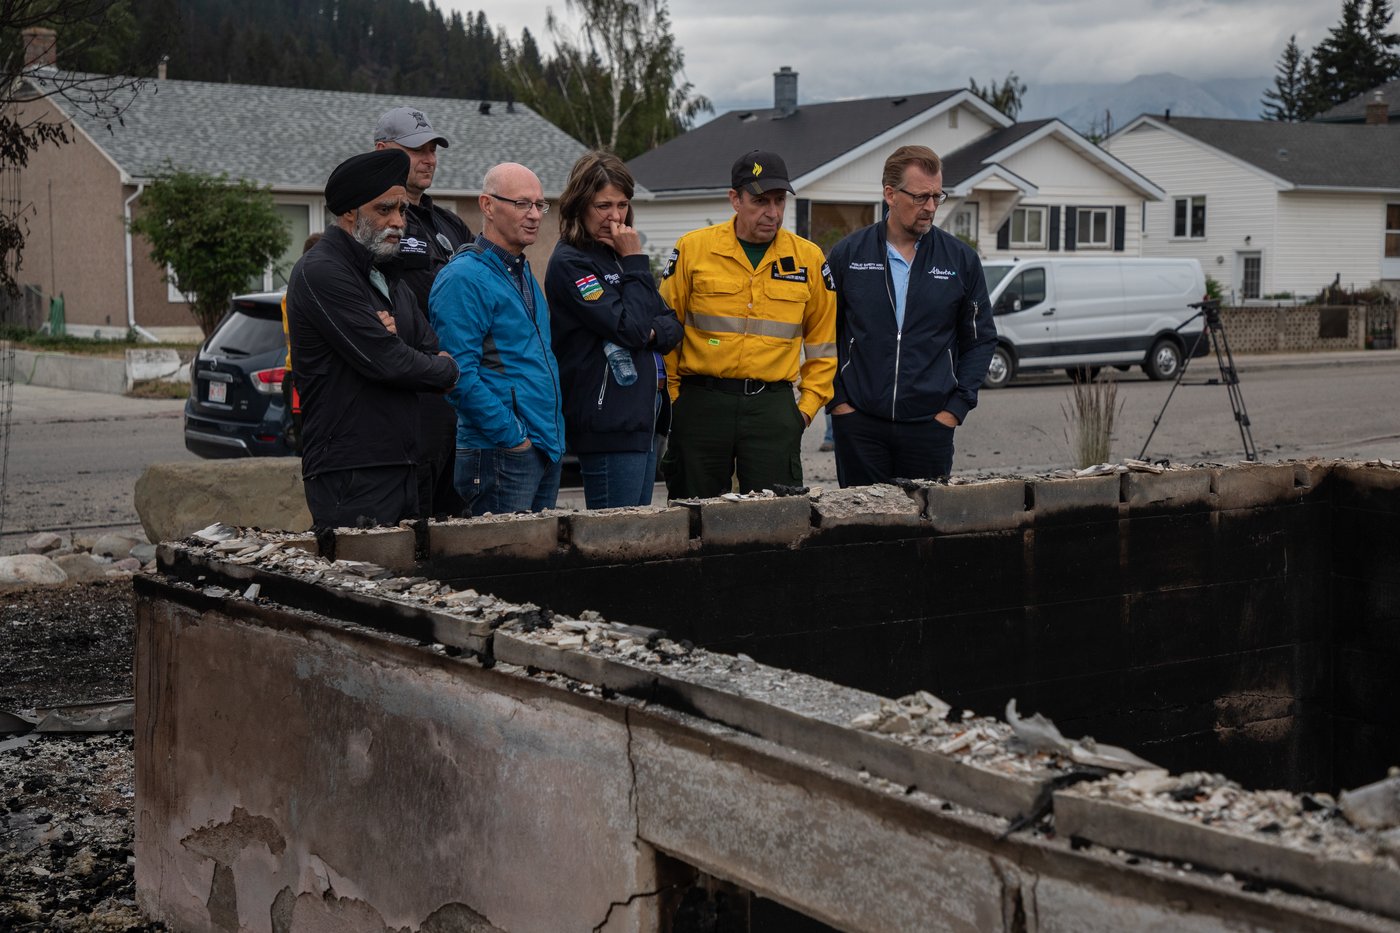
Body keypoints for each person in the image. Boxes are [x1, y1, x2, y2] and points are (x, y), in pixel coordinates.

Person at [286, 149, 459, 529]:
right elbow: (389, 362)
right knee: (357, 583)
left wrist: (417, 354)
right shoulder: (322, 271)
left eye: (402, 210)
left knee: (406, 585)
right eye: (385, 210)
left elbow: (425, 347)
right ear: (350, 211)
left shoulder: (386, 276)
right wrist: (443, 370)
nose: (398, 222)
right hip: (351, 472)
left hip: (404, 464)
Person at [659, 149, 836, 498]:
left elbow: (824, 343)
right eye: (760, 201)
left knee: (774, 519)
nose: (772, 213)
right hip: (701, 404)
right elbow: (667, 329)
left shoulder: (808, 258)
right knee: (694, 515)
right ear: (735, 200)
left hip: (772, 409)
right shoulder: (694, 250)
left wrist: (804, 410)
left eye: (779, 201)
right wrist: (676, 400)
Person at [826, 145, 997, 486]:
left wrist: (954, 411)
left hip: (929, 428)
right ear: (890, 194)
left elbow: (981, 340)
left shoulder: (960, 260)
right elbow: (823, 333)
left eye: (937, 196)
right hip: (860, 427)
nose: (931, 207)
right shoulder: (849, 254)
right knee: (861, 530)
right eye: (921, 197)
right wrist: (838, 402)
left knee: (923, 533)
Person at [545, 151, 683, 509]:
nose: (615, 217)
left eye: (622, 205)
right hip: (607, 422)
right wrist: (636, 261)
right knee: (616, 537)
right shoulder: (571, 261)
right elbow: (633, 329)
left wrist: (647, 329)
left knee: (637, 535)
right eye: (603, 205)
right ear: (579, 204)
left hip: (643, 418)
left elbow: (671, 325)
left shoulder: (618, 256)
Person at [430, 163, 564, 516]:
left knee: (537, 563)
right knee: (505, 564)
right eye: (522, 204)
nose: (535, 215)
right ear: (487, 206)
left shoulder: (521, 273)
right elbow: (457, 375)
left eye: (540, 205)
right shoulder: (463, 278)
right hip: (500, 452)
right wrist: (514, 438)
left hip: (541, 446)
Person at [373, 106, 475, 519]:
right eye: (417, 149)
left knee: (457, 515)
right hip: (413, 394)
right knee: (416, 516)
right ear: (383, 151)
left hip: (461, 386)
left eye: (433, 149)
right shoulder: (373, 222)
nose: (429, 158)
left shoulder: (449, 223)